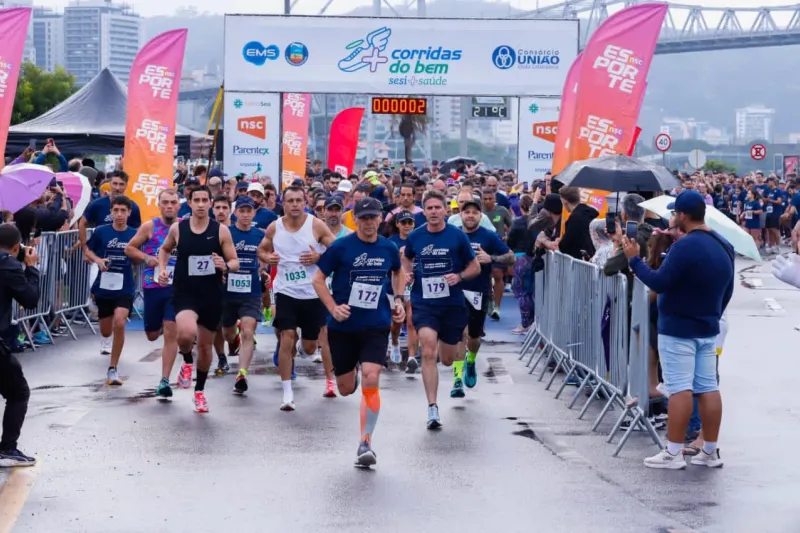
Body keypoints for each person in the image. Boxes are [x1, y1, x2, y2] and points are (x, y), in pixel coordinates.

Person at [622, 190, 733, 469]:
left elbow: (659, 282)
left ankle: (672, 452)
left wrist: (634, 260)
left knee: (679, 388)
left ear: (682, 216)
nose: (671, 218)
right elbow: (728, 288)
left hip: (678, 328)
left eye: (673, 214)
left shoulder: (684, 247)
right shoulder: (723, 244)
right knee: (708, 387)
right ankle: (709, 450)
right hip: (707, 326)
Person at [313, 197, 406, 467]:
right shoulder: (341, 247)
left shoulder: (388, 248)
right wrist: (332, 308)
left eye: (372, 218)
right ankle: (349, 372)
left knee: (372, 375)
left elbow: (398, 272)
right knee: (344, 389)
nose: (368, 223)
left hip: (376, 325)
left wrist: (398, 300)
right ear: (356, 220)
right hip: (343, 327)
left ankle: (366, 441)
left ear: (380, 219)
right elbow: (317, 279)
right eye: (363, 218)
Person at [402, 190, 480, 429]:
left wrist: (459, 276)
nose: (434, 212)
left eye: (438, 208)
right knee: (427, 349)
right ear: (423, 212)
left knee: (446, 359)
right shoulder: (415, 237)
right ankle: (432, 408)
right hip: (424, 302)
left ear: (446, 210)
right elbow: (406, 257)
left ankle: (462, 357)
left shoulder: (456, 237)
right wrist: (407, 272)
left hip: (452, 305)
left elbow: (475, 266)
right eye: (429, 208)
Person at [158, 185, 240, 413]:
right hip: (185, 292)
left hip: (211, 295)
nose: (202, 204)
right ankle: (186, 360)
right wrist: (163, 269)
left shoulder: (221, 230)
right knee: (184, 334)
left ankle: (199, 391)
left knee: (205, 348)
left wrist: (225, 265)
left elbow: (235, 261)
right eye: (197, 200)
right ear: (190, 203)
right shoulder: (178, 228)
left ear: (211, 203)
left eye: (206, 200)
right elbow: (164, 250)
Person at [258, 185, 335, 410]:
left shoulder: (316, 225)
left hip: (312, 292)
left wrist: (318, 256)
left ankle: (307, 352)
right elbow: (261, 249)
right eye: (290, 201)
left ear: (305, 202)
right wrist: (268, 257)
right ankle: (287, 393)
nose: (294, 204)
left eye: (298, 200)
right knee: (287, 336)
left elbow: (336, 249)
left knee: (312, 347)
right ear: (284, 203)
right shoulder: (275, 227)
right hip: (286, 291)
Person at [123, 189, 181, 398]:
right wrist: (147, 258)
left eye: (173, 202)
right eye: (165, 202)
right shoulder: (150, 227)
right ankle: (166, 327)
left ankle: (164, 380)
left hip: (176, 288)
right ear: (159, 205)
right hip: (153, 286)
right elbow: (129, 249)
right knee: (151, 335)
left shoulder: (184, 227)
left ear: (178, 206)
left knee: (171, 330)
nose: (169, 206)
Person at [456, 198, 513, 396]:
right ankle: (457, 378)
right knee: (458, 335)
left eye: (474, 212)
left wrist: (492, 259)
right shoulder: (454, 235)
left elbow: (510, 256)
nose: (470, 215)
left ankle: (470, 361)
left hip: (478, 291)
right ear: (460, 215)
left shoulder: (488, 236)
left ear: (480, 216)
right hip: (454, 291)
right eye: (466, 212)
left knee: (473, 335)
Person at [84, 196, 137, 385]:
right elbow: (88, 251)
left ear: (129, 213)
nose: (120, 214)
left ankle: (113, 368)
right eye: (116, 210)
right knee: (106, 331)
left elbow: (139, 256)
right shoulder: (101, 231)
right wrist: (98, 260)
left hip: (125, 287)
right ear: (111, 212)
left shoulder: (134, 234)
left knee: (120, 323)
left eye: (123, 211)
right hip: (104, 287)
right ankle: (106, 338)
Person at [0, 224, 40, 467]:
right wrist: (31, 268)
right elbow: (30, 299)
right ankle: (7, 448)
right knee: (18, 392)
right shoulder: (10, 266)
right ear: (17, 247)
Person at [222, 196, 264, 395]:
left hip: (251, 292)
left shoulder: (260, 235)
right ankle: (234, 338)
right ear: (235, 212)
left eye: (249, 211)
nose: (246, 214)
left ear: (254, 213)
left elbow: (265, 256)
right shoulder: (226, 233)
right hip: (227, 292)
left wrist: (263, 269)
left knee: (248, 332)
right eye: (242, 211)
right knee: (228, 335)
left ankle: (242, 373)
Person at [79, 170, 142, 252]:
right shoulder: (97, 204)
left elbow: (137, 231)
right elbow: (82, 223)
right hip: (99, 253)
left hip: (124, 255)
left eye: (121, 184)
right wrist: (85, 248)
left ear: (126, 185)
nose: (117, 188)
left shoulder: (133, 207)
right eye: (115, 183)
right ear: (110, 184)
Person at [388, 210, 417, 367]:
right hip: (394, 287)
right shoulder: (391, 242)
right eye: (403, 222)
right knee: (397, 321)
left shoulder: (419, 239)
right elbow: (385, 266)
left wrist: (413, 273)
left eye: (410, 222)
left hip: (414, 285)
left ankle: (412, 357)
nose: (407, 226)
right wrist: (399, 275)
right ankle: (394, 342)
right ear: (397, 224)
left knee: (412, 321)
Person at [481, 188, 513, 320]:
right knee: (485, 278)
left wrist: (507, 238)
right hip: (482, 248)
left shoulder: (502, 211)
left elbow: (511, 226)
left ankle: (497, 307)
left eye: (490, 199)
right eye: (485, 199)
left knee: (498, 274)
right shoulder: (479, 212)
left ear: (495, 199)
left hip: (498, 247)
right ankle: (489, 301)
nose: (488, 201)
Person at [558, 186, 598, 260]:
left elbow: (565, 245)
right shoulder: (589, 213)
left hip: (581, 260)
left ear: (564, 201)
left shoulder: (575, 218)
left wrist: (560, 241)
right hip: (591, 256)